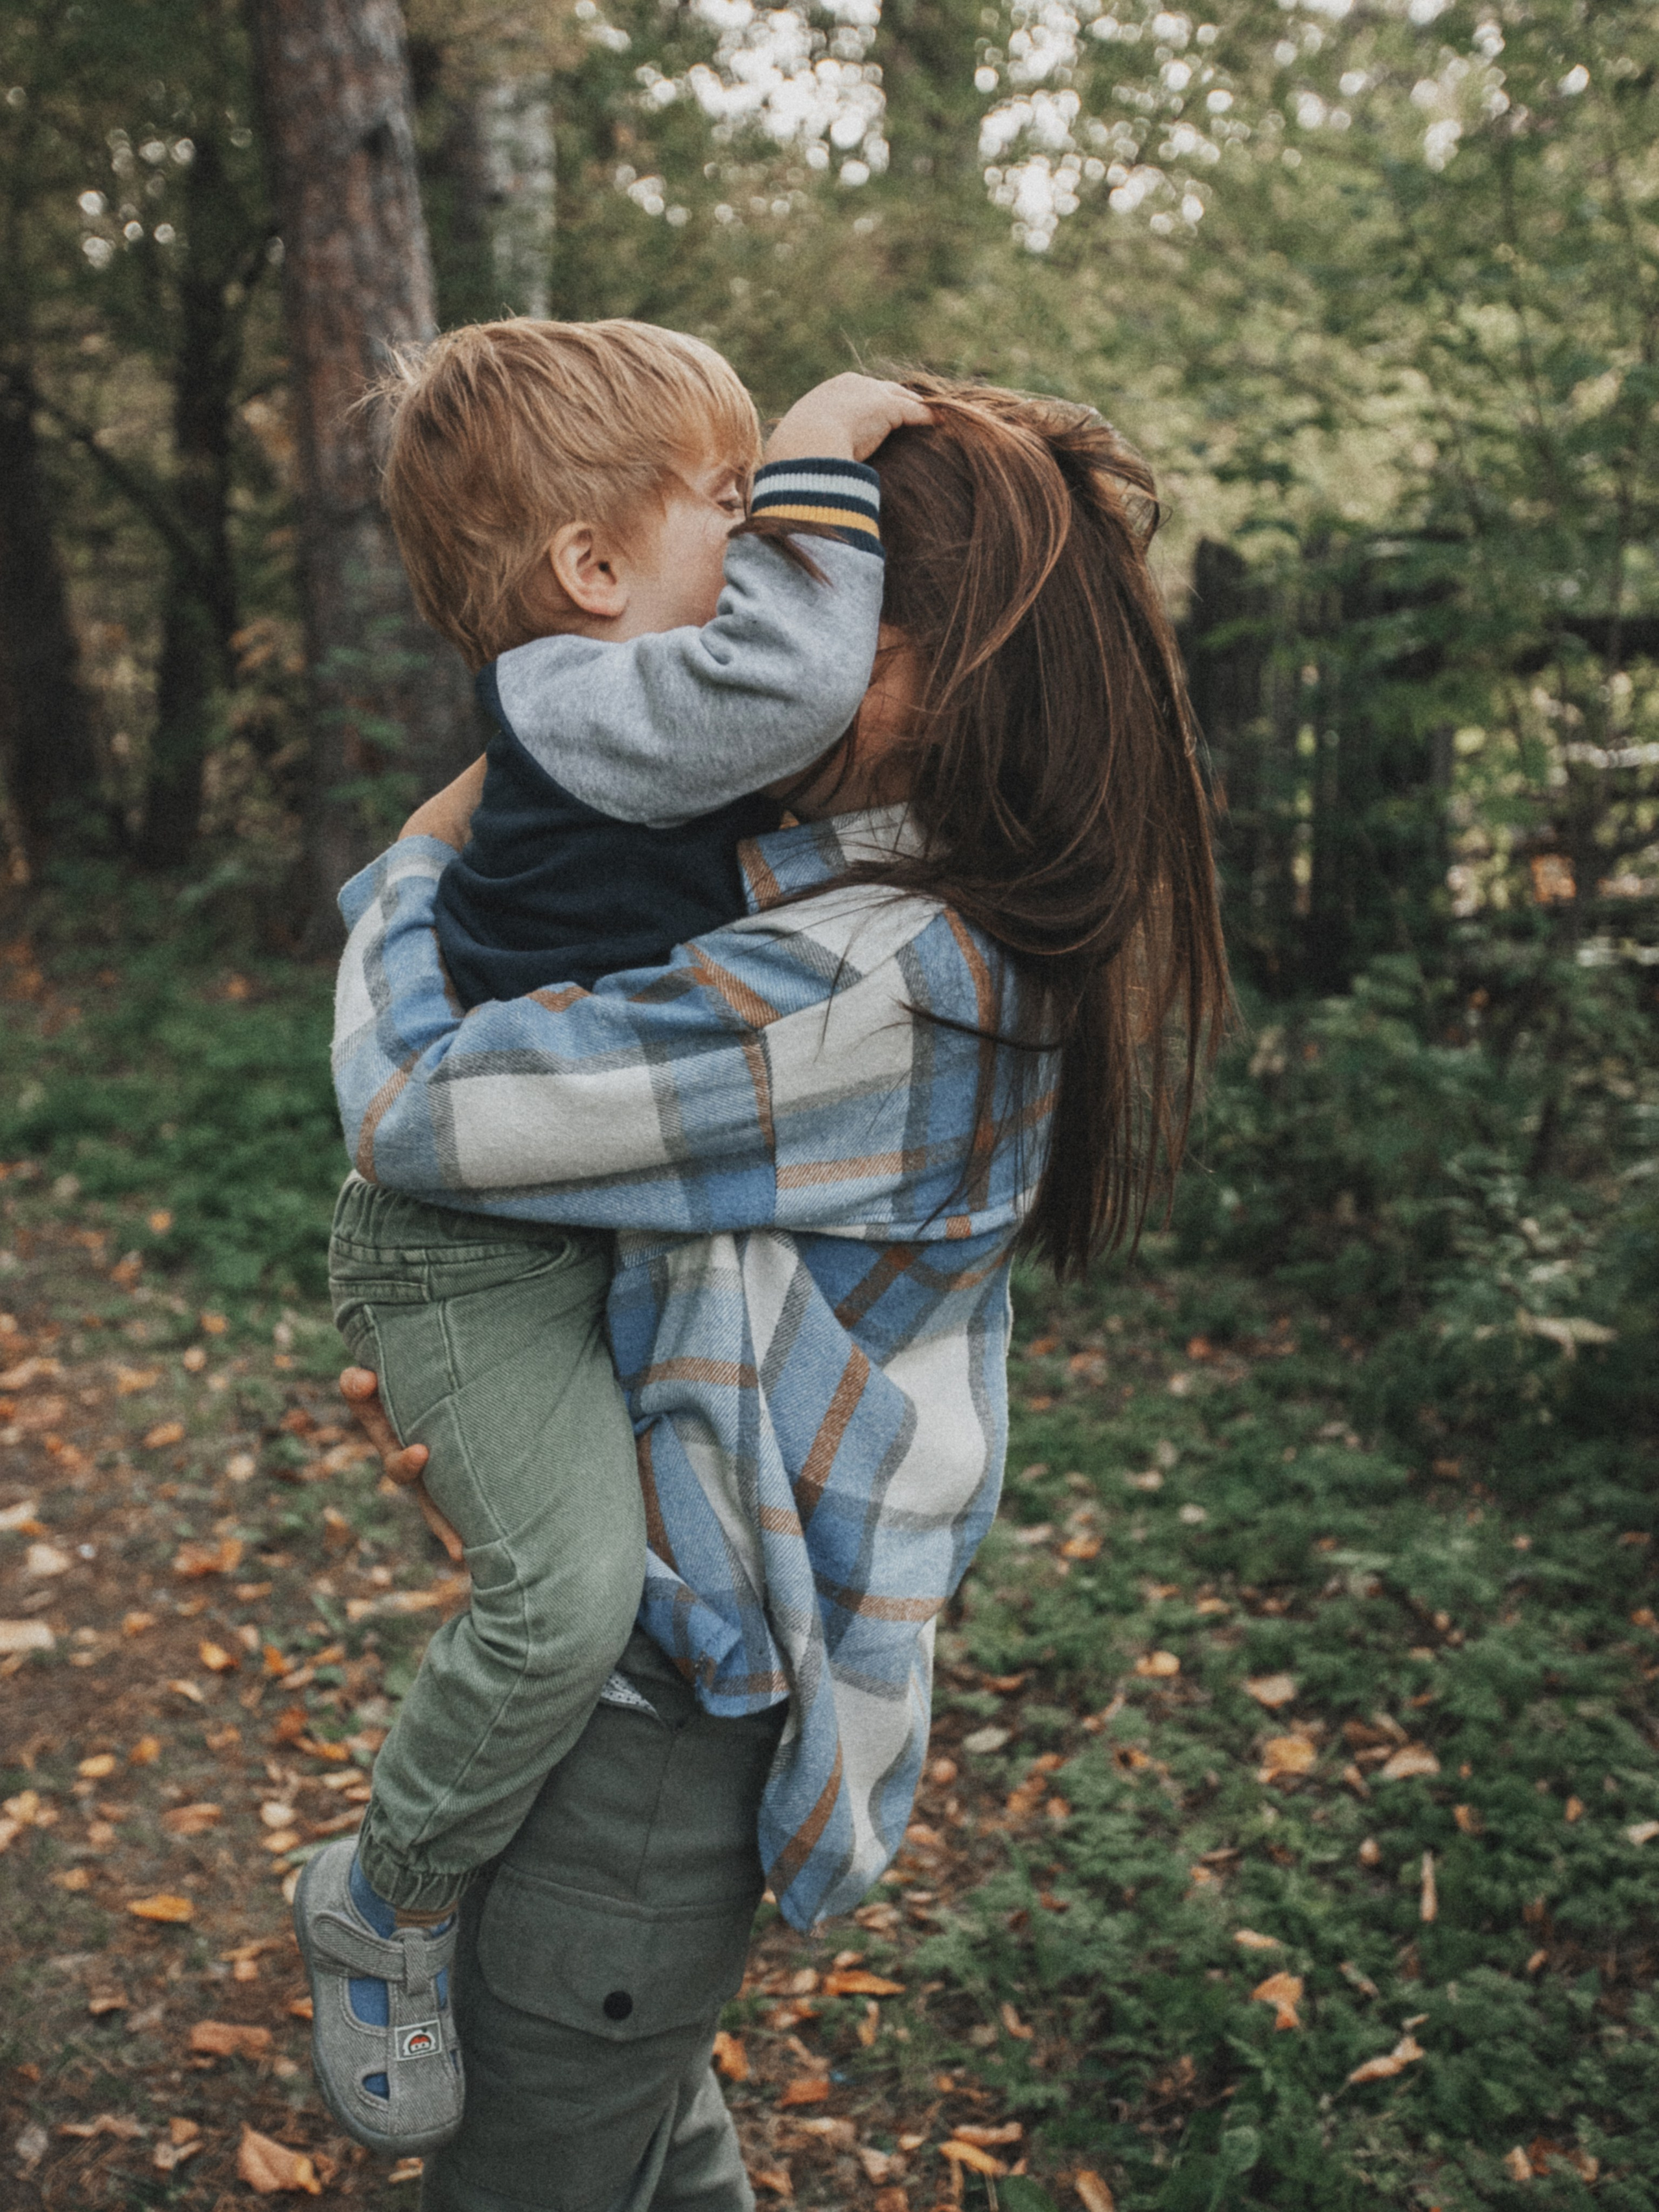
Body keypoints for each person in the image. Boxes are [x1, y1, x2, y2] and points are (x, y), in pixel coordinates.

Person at [331, 374, 1231, 2212]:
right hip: (680, 1672)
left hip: (656, 1734)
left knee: (539, 2157)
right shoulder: (870, 909)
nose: (770, 620)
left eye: (825, 594)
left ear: (940, 667)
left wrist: (414, 867)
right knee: (646, 2129)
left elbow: (424, 1112)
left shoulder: (871, 984)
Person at [294, 313, 929, 2158]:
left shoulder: (610, 711)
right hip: (470, 1255)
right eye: (736, 506)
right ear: (590, 571)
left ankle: (628, 2086)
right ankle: (387, 1888)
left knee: (625, 1584)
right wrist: (833, 433)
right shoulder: (583, 697)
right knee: (567, 1600)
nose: (772, 542)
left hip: (571, 1234)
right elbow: (800, 682)